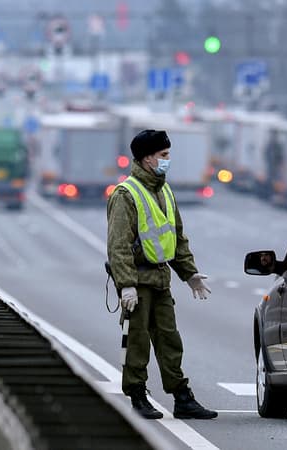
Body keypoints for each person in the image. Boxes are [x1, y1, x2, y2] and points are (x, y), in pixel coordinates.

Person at [107, 129, 218, 420]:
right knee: (137, 341)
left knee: (170, 340)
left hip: (160, 280)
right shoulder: (126, 194)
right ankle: (137, 395)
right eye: (163, 155)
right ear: (147, 160)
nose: (168, 160)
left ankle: (182, 398)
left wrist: (189, 273)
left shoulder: (164, 190)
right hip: (139, 282)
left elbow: (176, 236)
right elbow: (118, 245)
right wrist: (126, 285)